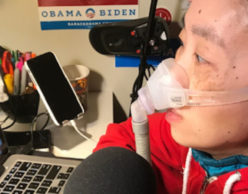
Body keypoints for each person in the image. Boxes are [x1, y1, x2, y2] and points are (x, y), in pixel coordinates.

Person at [94, 0, 248, 193]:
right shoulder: (191, 141)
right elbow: (123, 137)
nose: (173, 74)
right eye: (183, 44)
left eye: (201, 57)